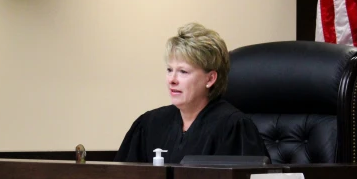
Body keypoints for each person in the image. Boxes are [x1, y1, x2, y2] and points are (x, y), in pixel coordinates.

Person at [114, 22, 268, 164]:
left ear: (210, 78)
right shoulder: (149, 124)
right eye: (169, 70)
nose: (172, 80)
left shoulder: (233, 128)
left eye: (183, 71)